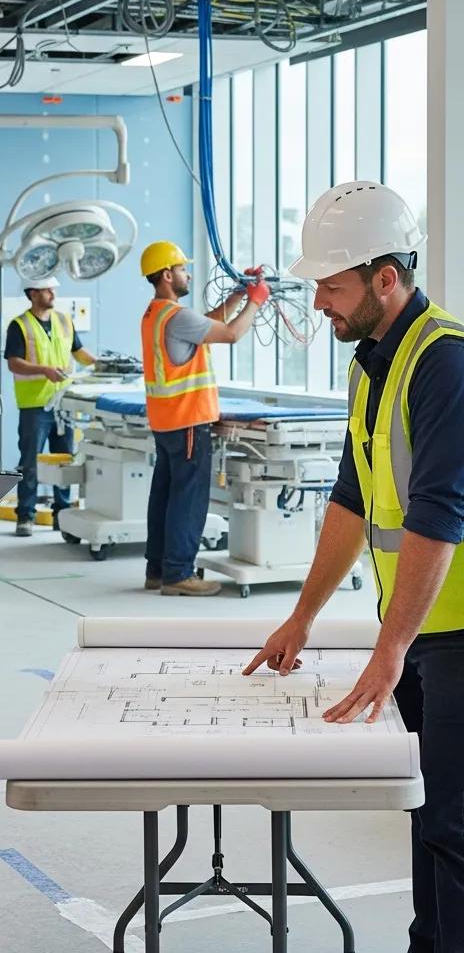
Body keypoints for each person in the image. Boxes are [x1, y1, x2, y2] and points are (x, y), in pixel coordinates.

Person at [243, 181, 464, 953]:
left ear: (384, 279)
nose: (319, 305)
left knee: (454, 830)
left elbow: (437, 517)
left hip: (457, 636)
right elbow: (350, 499)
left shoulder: (445, 362)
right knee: (427, 816)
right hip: (422, 633)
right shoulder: (370, 363)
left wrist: (389, 650)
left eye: (330, 288)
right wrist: (300, 617)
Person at [139, 240, 269, 596]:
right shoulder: (176, 316)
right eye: (182, 269)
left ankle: (157, 569)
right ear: (168, 275)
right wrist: (256, 300)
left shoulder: (156, 314)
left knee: (164, 496)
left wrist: (239, 296)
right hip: (187, 422)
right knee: (189, 497)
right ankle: (179, 573)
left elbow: (208, 323)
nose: (187, 274)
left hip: (166, 421)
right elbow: (229, 333)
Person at [4, 275, 96, 537]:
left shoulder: (64, 321)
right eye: (47, 290)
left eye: (53, 290)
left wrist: (102, 365)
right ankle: (26, 515)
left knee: (64, 460)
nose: (53, 294)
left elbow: (79, 352)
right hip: (35, 406)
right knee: (30, 461)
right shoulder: (19, 326)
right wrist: (44, 370)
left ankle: (62, 514)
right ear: (33, 293)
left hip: (63, 405)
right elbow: (14, 362)